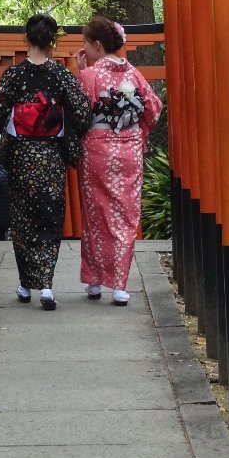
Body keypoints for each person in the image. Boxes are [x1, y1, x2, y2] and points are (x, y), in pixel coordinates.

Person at [0, 13, 91, 310]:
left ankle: (24, 284)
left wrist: (16, 116)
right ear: (51, 42)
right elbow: (82, 112)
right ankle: (46, 286)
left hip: (21, 155)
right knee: (49, 216)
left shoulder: (13, 75)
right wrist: (60, 122)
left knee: (22, 219)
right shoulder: (60, 75)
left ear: (27, 38)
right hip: (49, 157)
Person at [76, 16, 162, 306]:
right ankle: (119, 286)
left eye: (86, 44)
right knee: (125, 217)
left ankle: (95, 281)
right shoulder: (134, 75)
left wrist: (81, 73)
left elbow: (78, 115)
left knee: (96, 215)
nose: (84, 49)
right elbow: (153, 108)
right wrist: (137, 136)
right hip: (129, 151)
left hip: (97, 151)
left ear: (97, 45)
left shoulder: (90, 76)